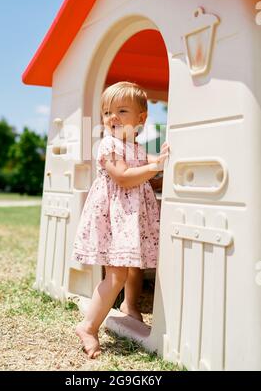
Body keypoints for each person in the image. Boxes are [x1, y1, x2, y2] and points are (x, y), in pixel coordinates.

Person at [72, 81, 170, 358]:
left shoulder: (137, 147)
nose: (112, 117)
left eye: (122, 110)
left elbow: (148, 166)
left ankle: (130, 307)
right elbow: (124, 177)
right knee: (116, 274)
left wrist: (159, 163)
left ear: (141, 119)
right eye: (106, 112)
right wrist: (154, 167)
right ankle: (88, 327)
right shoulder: (108, 145)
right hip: (114, 218)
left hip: (130, 218)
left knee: (131, 268)